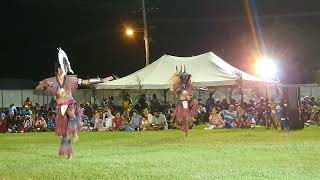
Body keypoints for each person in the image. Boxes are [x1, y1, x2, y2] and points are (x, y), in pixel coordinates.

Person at [35, 48, 113, 159]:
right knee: (65, 135)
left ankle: (75, 133)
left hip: (70, 104)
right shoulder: (51, 81)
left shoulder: (70, 79)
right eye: (61, 68)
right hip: (60, 108)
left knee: (70, 111)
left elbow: (86, 82)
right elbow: (37, 88)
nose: (64, 70)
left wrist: (102, 79)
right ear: (58, 69)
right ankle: (69, 154)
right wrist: (46, 85)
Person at [169, 66, 198, 136]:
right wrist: (177, 90)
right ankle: (183, 127)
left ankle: (186, 127)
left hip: (186, 102)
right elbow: (173, 91)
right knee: (179, 118)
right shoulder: (178, 85)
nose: (185, 78)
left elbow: (193, 87)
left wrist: (195, 87)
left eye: (186, 77)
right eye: (183, 77)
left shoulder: (188, 84)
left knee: (185, 117)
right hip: (181, 103)